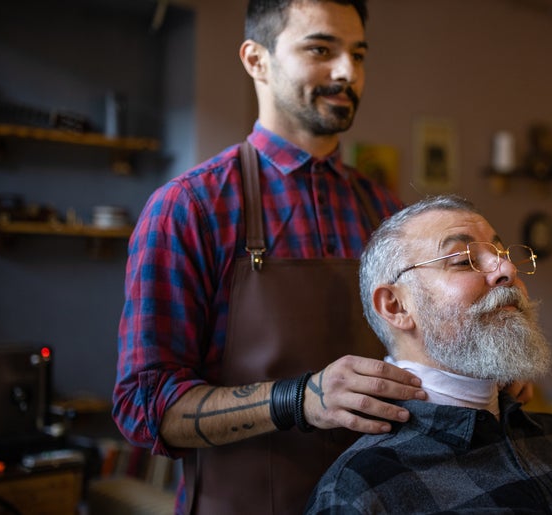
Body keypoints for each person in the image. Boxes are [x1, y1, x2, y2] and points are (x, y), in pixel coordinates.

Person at [112, 1, 431, 513]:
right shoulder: (188, 208)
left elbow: (418, 355)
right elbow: (145, 407)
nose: (348, 71)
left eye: (359, 53)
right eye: (321, 49)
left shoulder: (388, 213)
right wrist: (300, 399)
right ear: (256, 60)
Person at [305, 195, 552, 514]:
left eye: (503, 255)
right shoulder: (361, 492)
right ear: (396, 306)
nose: (508, 270)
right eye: (463, 260)